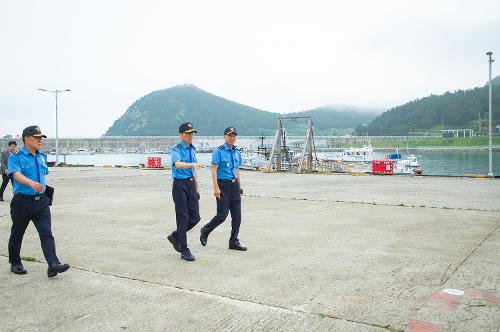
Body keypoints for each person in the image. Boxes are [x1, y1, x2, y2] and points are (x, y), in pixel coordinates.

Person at [7, 126, 70, 278]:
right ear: (27, 139)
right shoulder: (16, 156)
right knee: (18, 233)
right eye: (37, 138)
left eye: (41, 138)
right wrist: (30, 183)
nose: (40, 140)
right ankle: (15, 262)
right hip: (22, 202)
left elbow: (43, 176)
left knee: (46, 233)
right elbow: (15, 174)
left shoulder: (42, 156)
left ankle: (53, 264)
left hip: (41, 202)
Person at [200, 127, 247, 251]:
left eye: (234, 136)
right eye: (229, 135)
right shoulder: (219, 151)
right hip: (223, 186)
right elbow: (213, 169)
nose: (232, 138)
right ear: (224, 137)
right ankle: (205, 230)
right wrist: (216, 188)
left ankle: (233, 241)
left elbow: (237, 170)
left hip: (234, 186)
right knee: (222, 215)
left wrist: (239, 185)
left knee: (237, 216)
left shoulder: (237, 152)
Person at [167, 122, 204, 261]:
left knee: (195, 217)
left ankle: (175, 236)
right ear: (181, 134)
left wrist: (197, 188)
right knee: (182, 217)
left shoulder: (192, 149)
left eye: (192, 133)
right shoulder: (176, 148)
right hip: (179, 185)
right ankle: (184, 249)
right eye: (187, 133)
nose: (190, 136)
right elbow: (178, 164)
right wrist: (193, 164)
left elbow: (194, 170)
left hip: (191, 185)